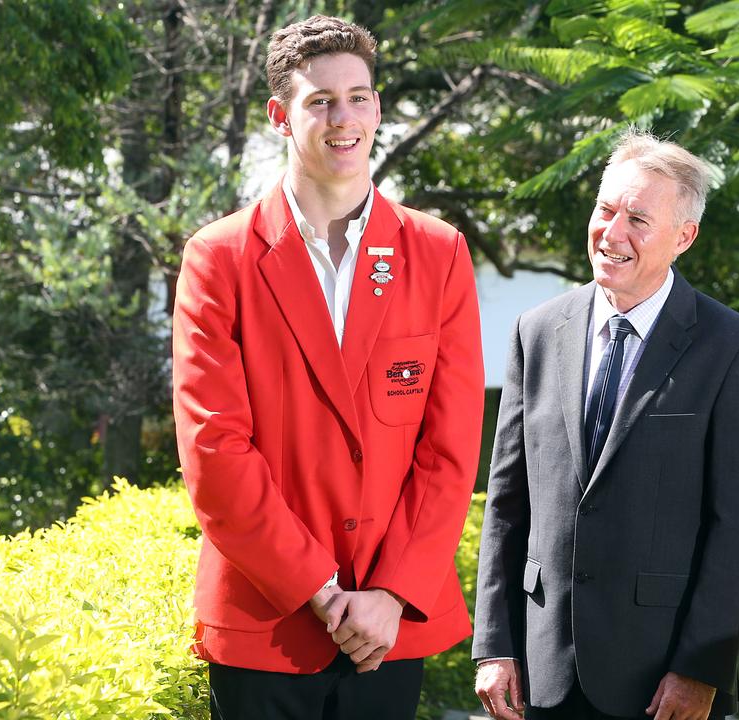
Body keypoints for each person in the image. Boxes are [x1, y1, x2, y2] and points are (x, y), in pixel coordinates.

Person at [171, 15, 483, 720]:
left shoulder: (439, 254)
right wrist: (321, 589)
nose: (345, 118)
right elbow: (215, 450)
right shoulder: (218, 259)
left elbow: (451, 449)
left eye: (360, 97)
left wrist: (390, 594)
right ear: (282, 115)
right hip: (266, 625)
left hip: (389, 626)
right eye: (321, 101)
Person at [471, 129, 739, 720]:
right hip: (543, 674)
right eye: (605, 209)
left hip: (664, 682)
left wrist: (701, 668)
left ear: (683, 236)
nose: (612, 233)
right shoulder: (536, 332)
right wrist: (495, 645)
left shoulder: (738, 350)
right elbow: (507, 503)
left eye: (638, 219)